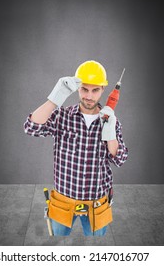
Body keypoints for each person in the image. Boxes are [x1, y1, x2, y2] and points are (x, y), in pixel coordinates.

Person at [24, 60, 128, 236]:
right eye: (84, 89)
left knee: (96, 249)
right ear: (77, 88)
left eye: (95, 90)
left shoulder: (110, 120)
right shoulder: (62, 115)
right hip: (63, 202)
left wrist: (110, 133)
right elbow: (30, 127)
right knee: (57, 246)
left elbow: (120, 159)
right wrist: (54, 99)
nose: (89, 96)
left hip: (97, 204)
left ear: (103, 89)